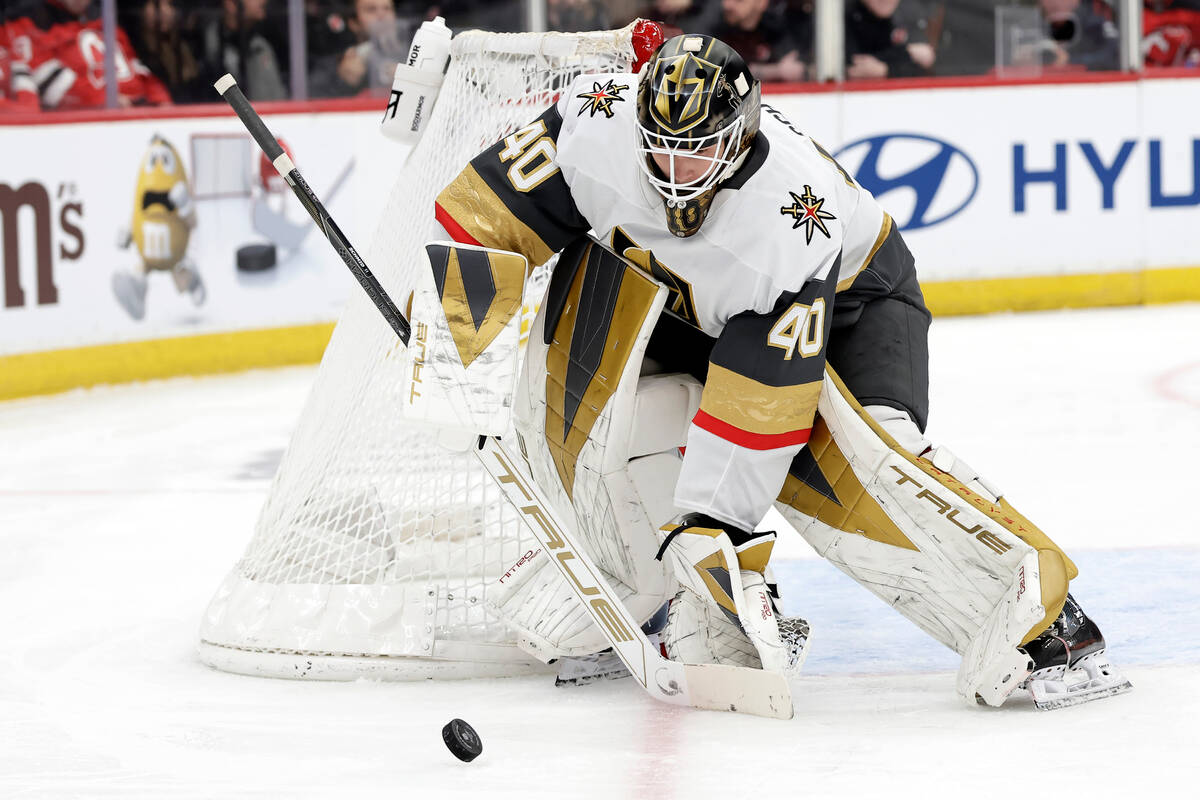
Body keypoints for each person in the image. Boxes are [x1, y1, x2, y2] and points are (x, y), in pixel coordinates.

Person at [427, 32, 1132, 709]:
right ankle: (645, 597)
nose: (673, 174)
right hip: (678, 302)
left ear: (737, 139)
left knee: (864, 471)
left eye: (695, 155)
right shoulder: (594, 121)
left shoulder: (792, 221)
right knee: (612, 427)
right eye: (659, 150)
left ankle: (1043, 618)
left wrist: (714, 525)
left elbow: (762, 405)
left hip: (852, 303)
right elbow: (484, 217)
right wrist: (459, 357)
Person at [12, 0, 170, 109]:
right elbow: (47, 80)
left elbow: (134, 66)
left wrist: (160, 99)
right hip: (89, 125)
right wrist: (104, 101)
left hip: (135, 114)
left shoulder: (104, 17)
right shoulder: (32, 21)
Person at [309, 0, 413, 97]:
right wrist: (343, 80)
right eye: (371, 9)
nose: (382, 15)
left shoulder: (415, 50)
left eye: (387, 8)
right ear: (354, 23)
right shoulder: (339, 59)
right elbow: (309, 95)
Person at [706, 0, 807, 82]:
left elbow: (797, 69)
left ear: (762, 3)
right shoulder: (712, 28)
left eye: (739, 1)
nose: (727, 5)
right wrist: (776, 71)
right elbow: (710, 73)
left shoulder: (776, 28)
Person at [845, 0, 935, 79]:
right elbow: (856, 67)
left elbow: (925, 59)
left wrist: (886, 69)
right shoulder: (843, 17)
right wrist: (907, 53)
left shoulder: (906, 13)